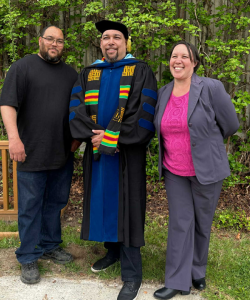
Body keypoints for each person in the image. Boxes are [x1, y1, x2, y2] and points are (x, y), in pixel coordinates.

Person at [69, 20, 157, 300]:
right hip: (98, 154)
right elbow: (76, 109)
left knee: (128, 207)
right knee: (104, 202)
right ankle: (112, 251)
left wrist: (111, 139)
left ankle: (132, 275)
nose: (110, 42)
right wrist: (94, 138)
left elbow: (143, 113)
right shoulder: (89, 72)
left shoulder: (139, 70)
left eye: (116, 37)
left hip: (126, 154)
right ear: (100, 43)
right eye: (105, 37)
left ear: (126, 43)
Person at [153, 41, 239, 299]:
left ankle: (197, 270)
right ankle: (177, 280)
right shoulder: (163, 92)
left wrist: (208, 143)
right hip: (174, 170)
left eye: (184, 56)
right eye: (173, 56)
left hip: (207, 169)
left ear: (194, 62)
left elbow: (231, 124)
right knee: (181, 222)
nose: (177, 61)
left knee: (203, 223)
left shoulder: (211, 87)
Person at [0, 26, 79, 284]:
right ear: (40, 41)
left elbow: (79, 108)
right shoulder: (21, 68)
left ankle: (49, 245)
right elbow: (7, 104)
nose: (54, 44)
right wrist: (14, 139)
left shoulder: (70, 74)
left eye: (59, 41)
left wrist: (77, 138)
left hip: (62, 152)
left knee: (55, 203)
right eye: (50, 39)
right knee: (30, 206)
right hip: (30, 151)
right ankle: (28, 255)